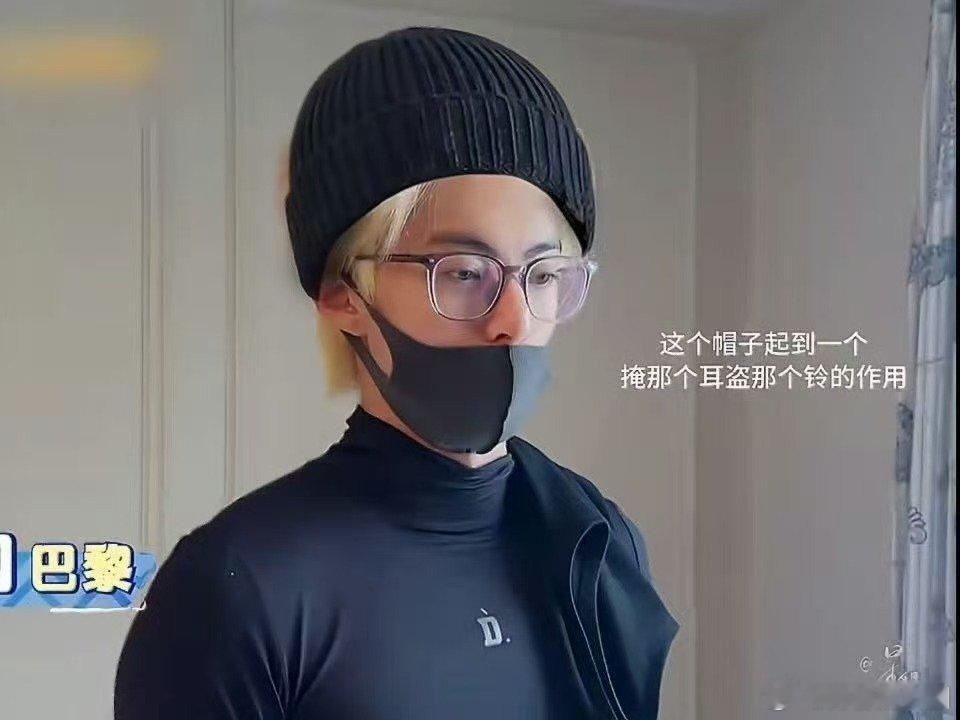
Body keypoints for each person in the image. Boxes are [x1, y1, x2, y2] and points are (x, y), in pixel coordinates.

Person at [114, 25, 679, 720]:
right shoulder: (235, 588)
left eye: (543, 274)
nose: (513, 320)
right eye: (463, 272)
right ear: (343, 293)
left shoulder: (598, 541)